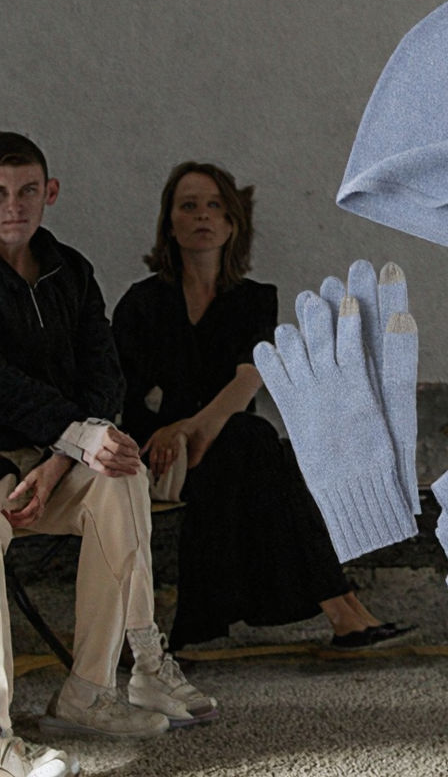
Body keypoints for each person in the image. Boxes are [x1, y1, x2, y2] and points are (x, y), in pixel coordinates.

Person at [111, 160, 411, 651]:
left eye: (215, 206)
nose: (202, 216)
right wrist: (179, 436)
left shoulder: (252, 300)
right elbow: (126, 397)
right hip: (158, 456)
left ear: (232, 223)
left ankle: (335, 613)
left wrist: (192, 427)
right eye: (189, 206)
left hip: (226, 450)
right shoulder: (141, 303)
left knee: (252, 442)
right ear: (170, 223)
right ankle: (342, 607)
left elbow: (250, 377)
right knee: (264, 446)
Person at [0, 133, 217, 777]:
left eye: (27, 190)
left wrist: (64, 456)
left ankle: (92, 689)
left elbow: (106, 374)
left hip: (54, 461)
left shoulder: (71, 270)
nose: (13, 206)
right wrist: (74, 436)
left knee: (122, 477)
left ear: (50, 192)